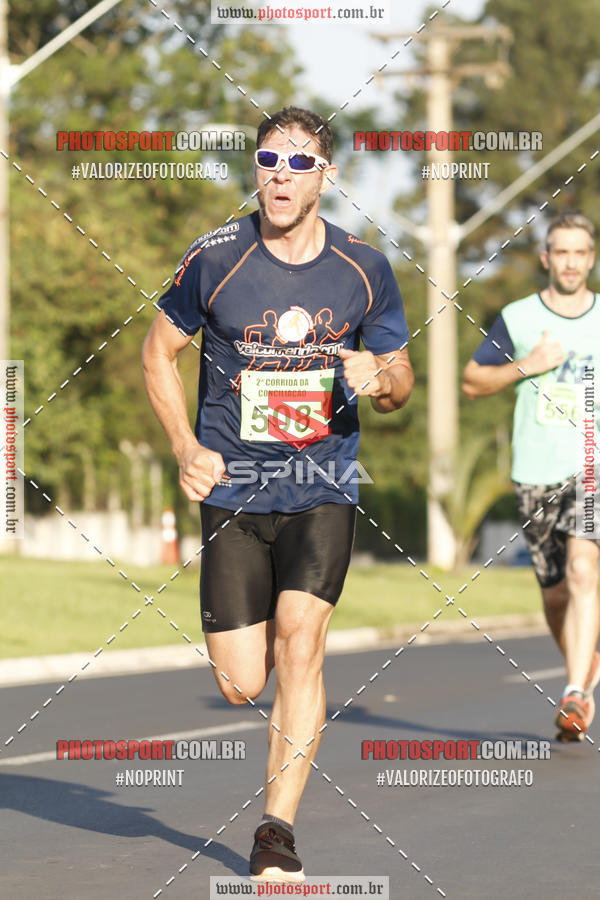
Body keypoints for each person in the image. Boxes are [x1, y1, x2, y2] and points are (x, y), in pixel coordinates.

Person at [142, 106, 413, 881]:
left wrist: (382, 376)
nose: (280, 175)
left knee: (303, 637)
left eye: (299, 163)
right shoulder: (215, 258)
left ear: (326, 176)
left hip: (322, 481)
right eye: (268, 160)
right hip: (234, 486)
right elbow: (156, 354)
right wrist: (185, 447)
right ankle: (249, 647)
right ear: (256, 169)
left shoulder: (364, 267)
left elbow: (399, 380)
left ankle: (276, 831)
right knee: (240, 682)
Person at [463, 211, 600, 742]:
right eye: (560, 252)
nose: (570, 262)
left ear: (590, 258)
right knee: (555, 593)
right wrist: (530, 364)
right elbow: (473, 381)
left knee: (586, 570)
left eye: (579, 252)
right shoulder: (518, 318)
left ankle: (572, 691)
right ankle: (582, 676)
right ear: (547, 259)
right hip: (535, 472)